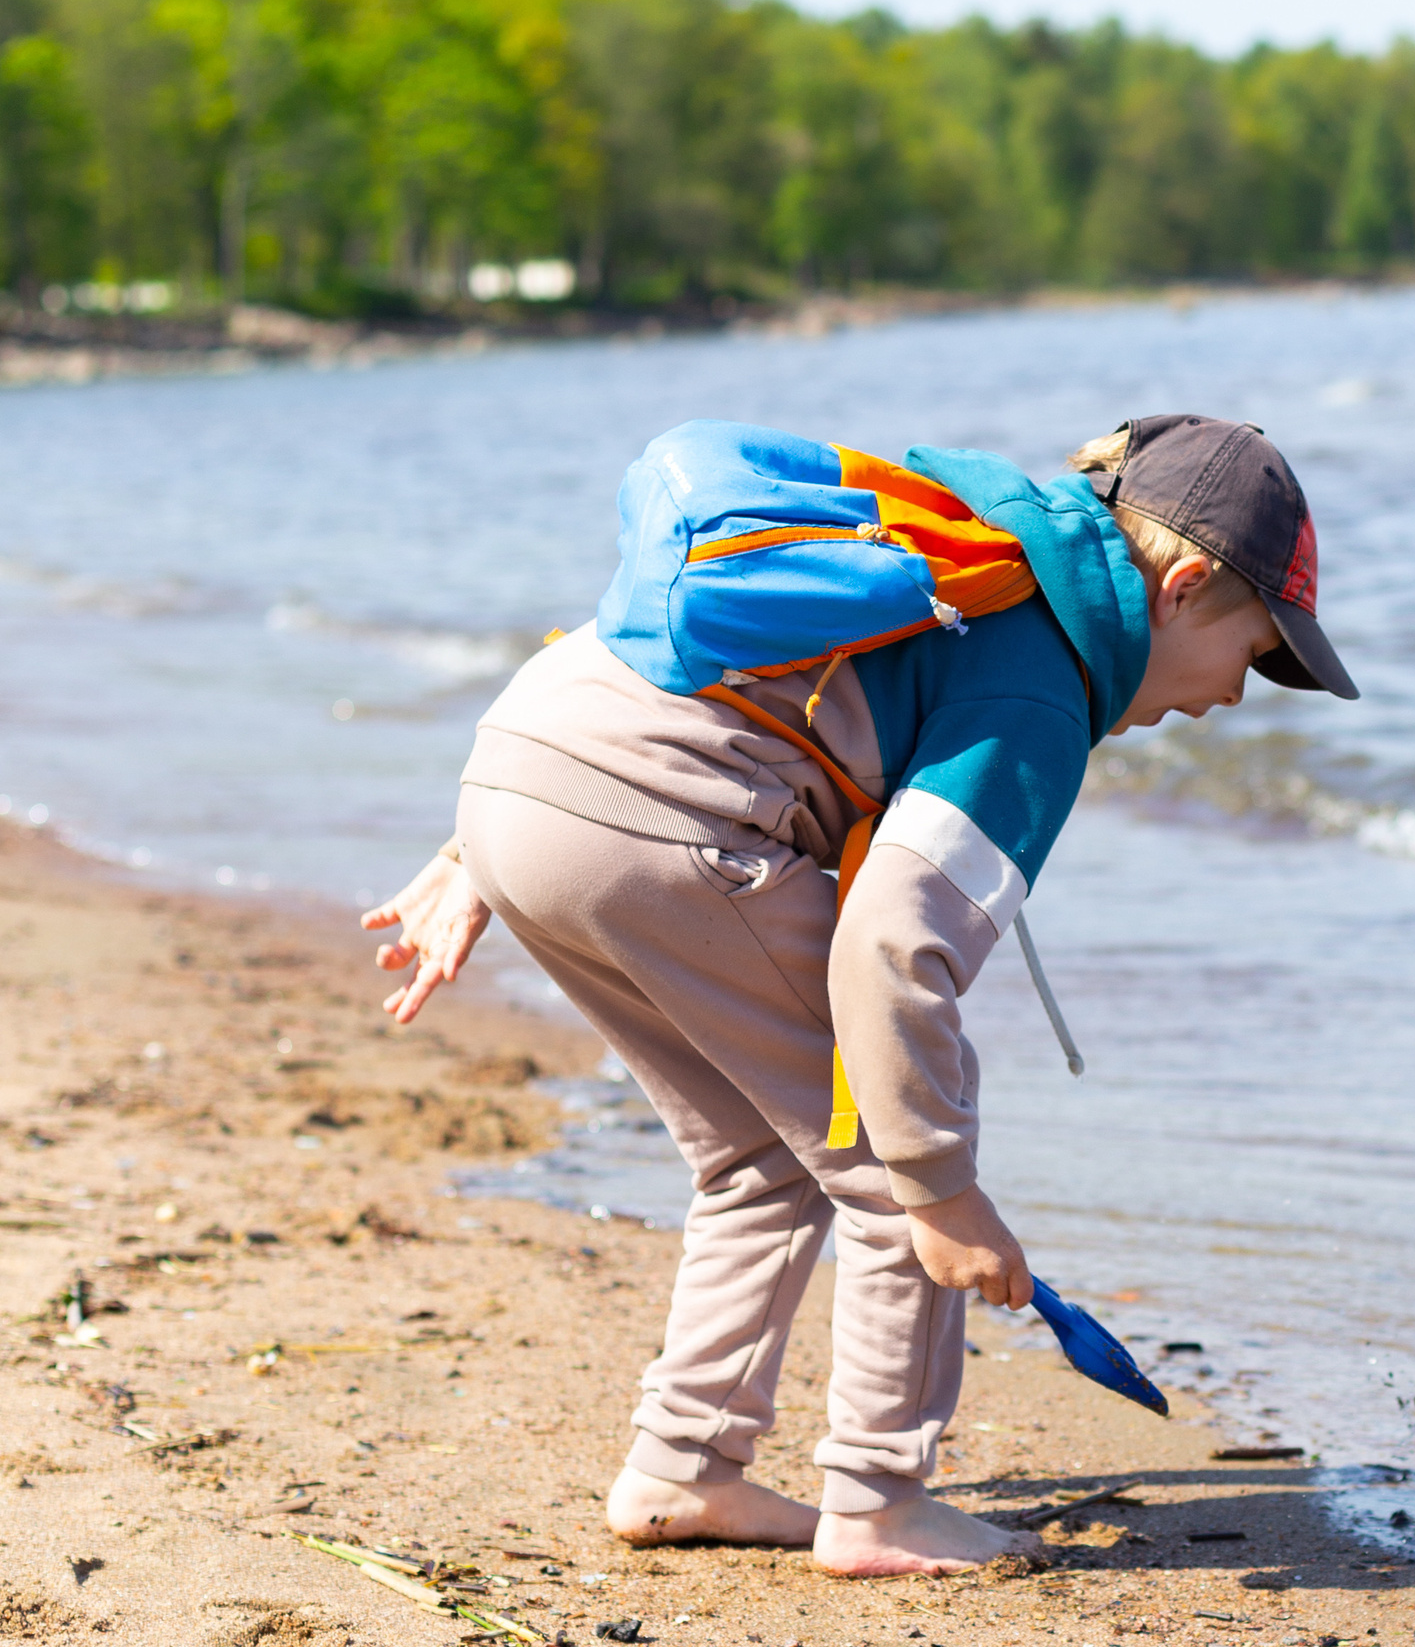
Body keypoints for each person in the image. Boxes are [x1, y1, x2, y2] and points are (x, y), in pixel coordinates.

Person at [358, 415, 1356, 1576]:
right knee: (883, 1135)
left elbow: (691, 649)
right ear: (1179, 588)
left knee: (759, 1154)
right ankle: (879, 1495)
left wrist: (480, 842)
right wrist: (940, 1191)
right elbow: (892, 948)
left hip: (521, 770)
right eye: (1258, 651)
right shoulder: (1039, 685)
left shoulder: (960, 539)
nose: (1242, 695)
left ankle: (683, 1470)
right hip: (654, 825)